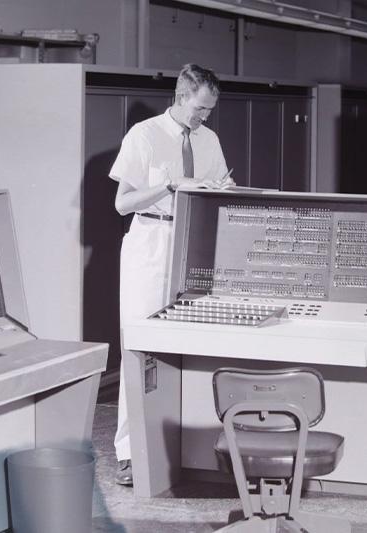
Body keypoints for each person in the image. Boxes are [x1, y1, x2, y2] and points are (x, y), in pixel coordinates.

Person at [108, 63, 233, 486]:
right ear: (181, 97)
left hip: (191, 241)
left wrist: (225, 190)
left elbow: (220, 183)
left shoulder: (209, 139)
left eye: (210, 111)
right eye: (200, 109)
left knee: (189, 343)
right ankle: (129, 452)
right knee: (139, 348)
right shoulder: (144, 135)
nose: (204, 117)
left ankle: (186, 449)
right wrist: (170, 186)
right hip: (151, 241)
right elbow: (122, 203)